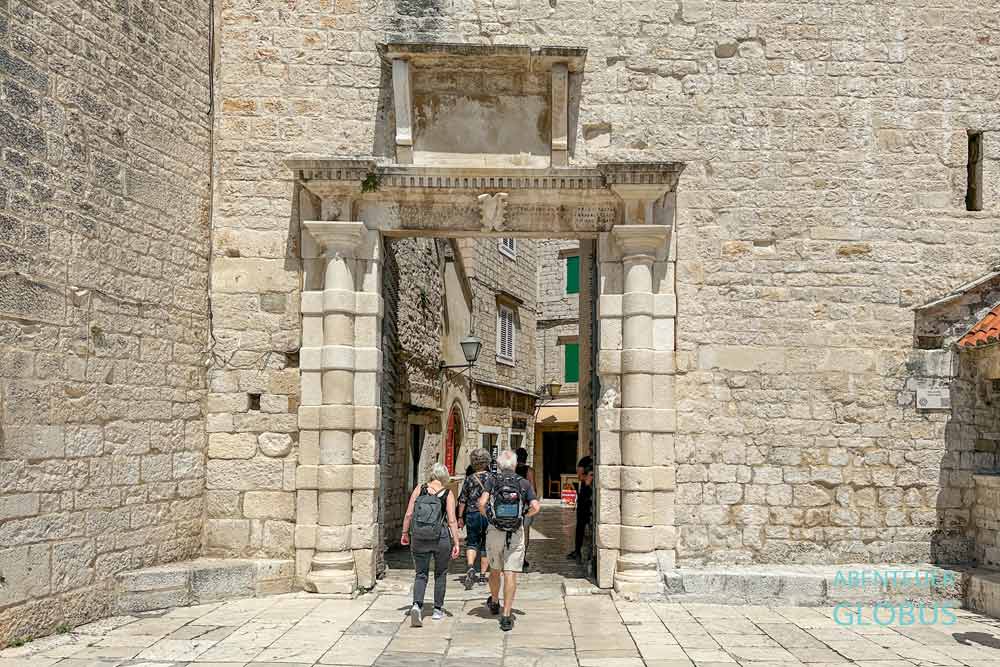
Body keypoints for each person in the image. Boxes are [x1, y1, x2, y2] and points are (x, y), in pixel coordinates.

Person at [478, 449, 541, 632]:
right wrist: (524, 515)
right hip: (515, 532)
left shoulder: (492, 480)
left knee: (495, 570)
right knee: (511, 573)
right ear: (514, 465)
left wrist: (490, 517)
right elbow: (536, 506)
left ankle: (494, 601)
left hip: (495, 531)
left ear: (499, 465)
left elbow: (481, 503)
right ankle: (506, 616)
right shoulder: (523, 483)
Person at [401, 462, 461, 627]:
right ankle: (437, 610)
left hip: (419, 537)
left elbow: (409, 514)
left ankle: (417, 605)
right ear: (444, 477)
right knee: (440, 573)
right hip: (440, 538)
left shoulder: (419, 489)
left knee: (421, 573)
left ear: (432, 474)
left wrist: (405, 533)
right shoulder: (447, 493)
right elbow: (452, 520)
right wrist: (456, 542)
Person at [457, 448, 492, 589]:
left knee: (472, 543)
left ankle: (471, 567)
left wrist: (460, 516)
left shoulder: (469, 479)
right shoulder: (492, 478)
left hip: (472, 514)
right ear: (487, 462)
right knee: (486, 545)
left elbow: (462, 500)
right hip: (487, 514)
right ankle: (482, 576)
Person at [567, 456, 593, 561]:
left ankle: (586, 553)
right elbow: (581, 478)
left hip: (588, 499)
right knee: (581, 527)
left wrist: (587, 479)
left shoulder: (587, 461)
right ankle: (578, 551)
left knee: (585, 527)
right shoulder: (586, 460)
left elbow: (582, 478)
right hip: (584, 498)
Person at [514, 447, 535, 571]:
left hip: (513, 504)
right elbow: (533, 488)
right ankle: (522, 558)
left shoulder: (512, 469)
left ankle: (513, 556)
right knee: (525, 531)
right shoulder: (529, 471)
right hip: (526, 505)